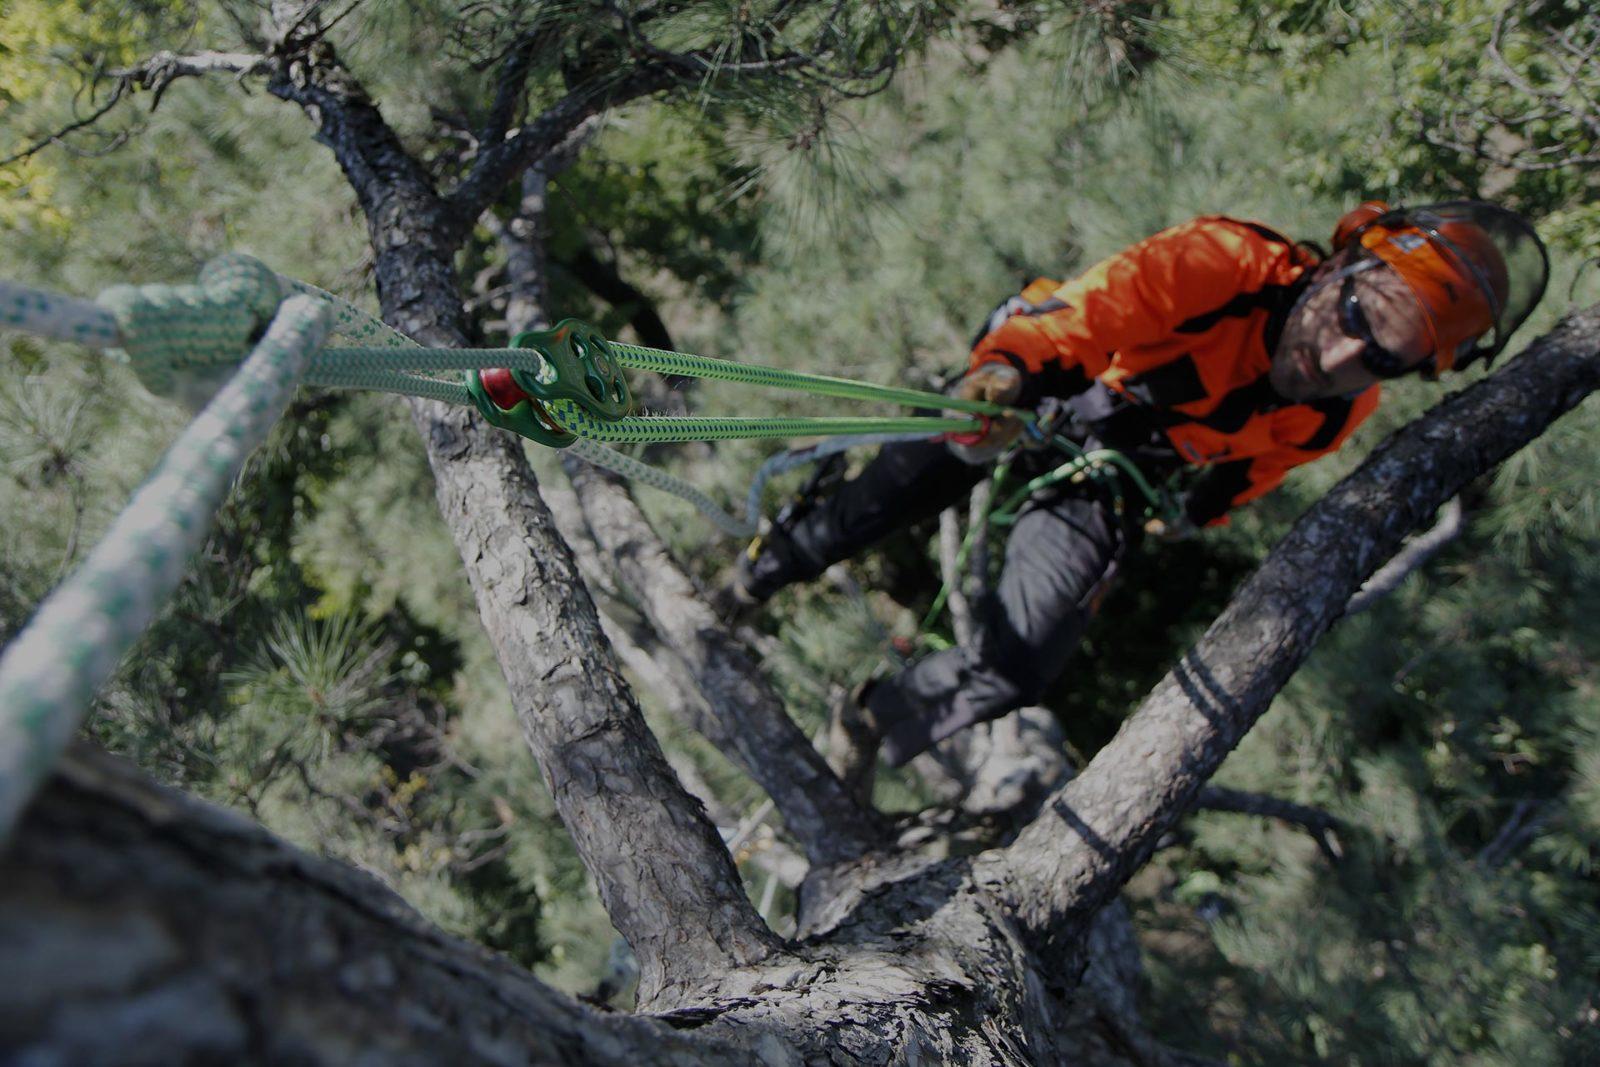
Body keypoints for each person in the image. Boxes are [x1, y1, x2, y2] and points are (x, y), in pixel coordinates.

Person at [723, 200, 1549, 780]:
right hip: (1055, 378)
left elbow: (1248, 472)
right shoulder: (1226, 263)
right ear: (1336, 266)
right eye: (1355, 316)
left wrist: (1193, 514)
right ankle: (766, 569)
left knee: (1022, 665)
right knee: (920, 471)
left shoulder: (1334, 413)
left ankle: (875, 714)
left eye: (1382, 359)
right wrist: (1005, 374)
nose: (1340, 359)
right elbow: (1090, 316)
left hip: (1118, 470)